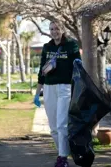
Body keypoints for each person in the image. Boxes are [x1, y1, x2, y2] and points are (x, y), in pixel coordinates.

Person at [33, 21, 81, 167]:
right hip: (49, 88)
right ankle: (62, 153)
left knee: (61, 125)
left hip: (65, 88)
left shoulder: (71, 45)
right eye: (52, 29)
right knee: (53, 127)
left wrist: (77, 88)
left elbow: (78, 68)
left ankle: (62, 158)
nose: (54, 31)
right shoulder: (47, 47)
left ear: (63, 29)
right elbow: (42, 71)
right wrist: (37, 93)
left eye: (57, 28)